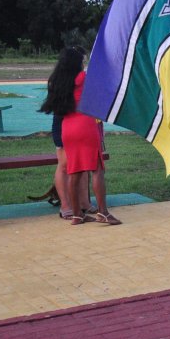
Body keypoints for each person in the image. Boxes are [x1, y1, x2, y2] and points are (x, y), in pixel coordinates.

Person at [39, 47, 119, 225]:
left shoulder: (57, 81)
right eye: (82, 60)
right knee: (97, 169)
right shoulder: (82, 78)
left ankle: (76, 214)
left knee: (74, 172)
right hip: (85, 126)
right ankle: (103, 212)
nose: (84, 63)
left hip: (67, 128)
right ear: (77, 63)